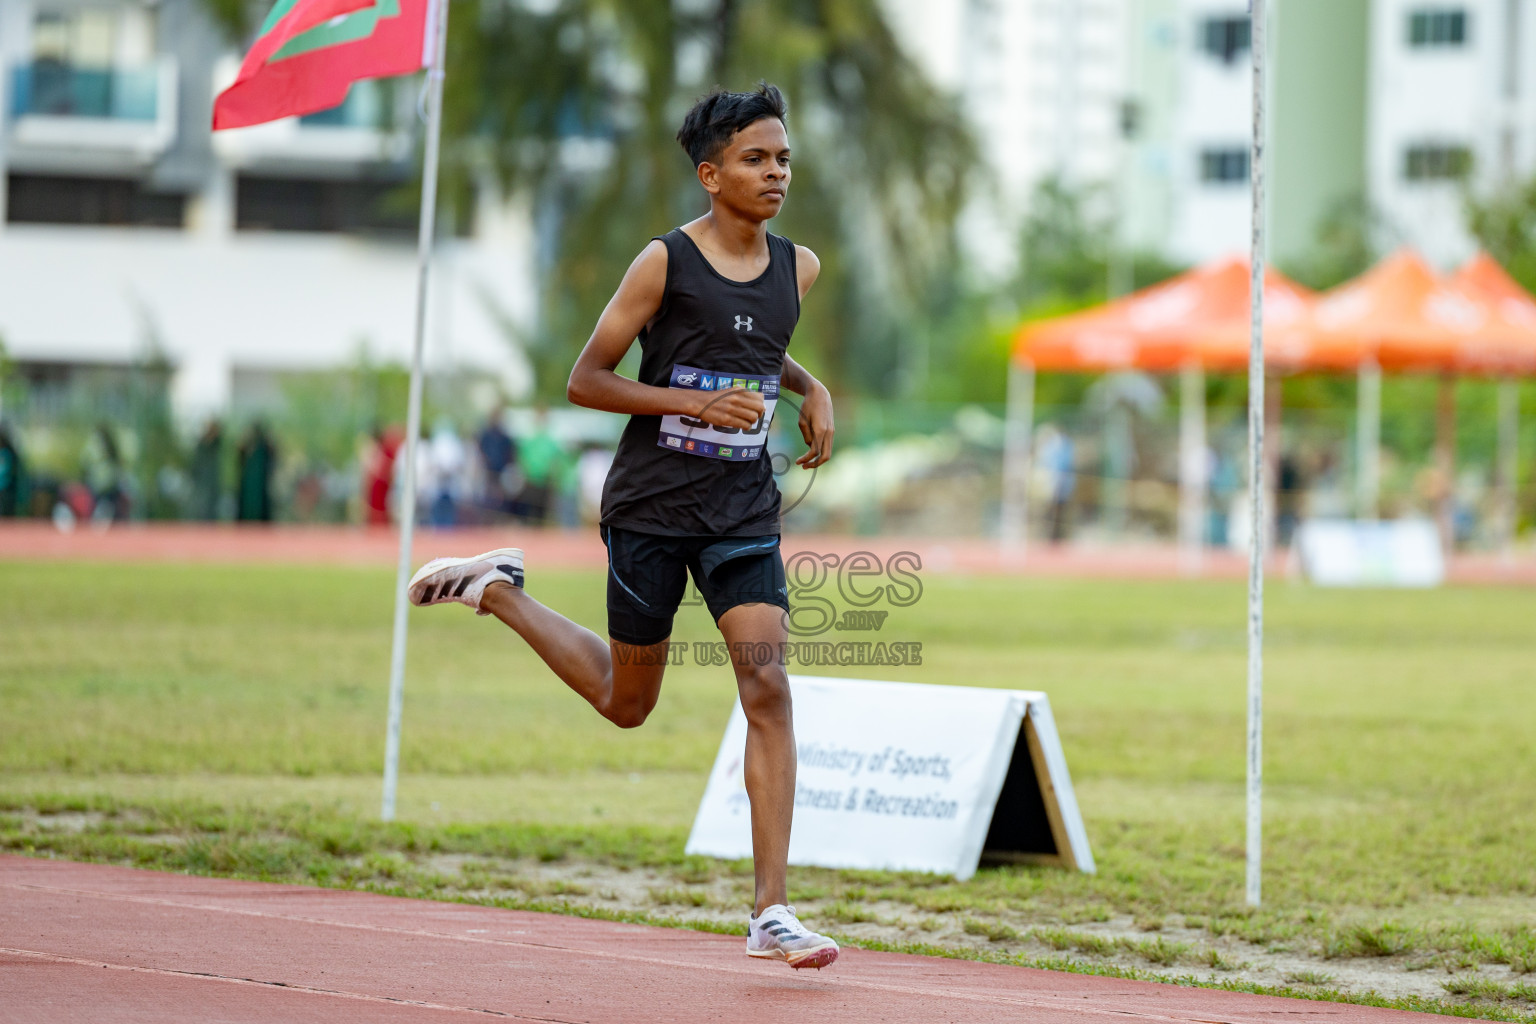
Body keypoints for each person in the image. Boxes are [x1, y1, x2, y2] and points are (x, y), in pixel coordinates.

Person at [406, 84, 839, 970]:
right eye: (757, 159)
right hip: (650, 508)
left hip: (741, 512)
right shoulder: (663, 263)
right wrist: (692, 402)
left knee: (769, 691)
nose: (777, 173)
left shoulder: (800, 268)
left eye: (784, 157)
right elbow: (586, 379)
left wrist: (810, 388)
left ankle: (771, 912)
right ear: (710, 175)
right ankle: (496, 592)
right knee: (627, 703)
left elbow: (755, 340)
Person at [236, 421, 276, 522]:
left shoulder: (264, 447)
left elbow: (273, 454)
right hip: (247, 486)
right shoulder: (246, 448)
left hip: (261, 486)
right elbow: (239, 454)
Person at [189, 420, 224, 521]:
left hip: (213, 483)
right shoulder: (201, 445)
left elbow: (219, 439)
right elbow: (195, 465)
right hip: (201, 483)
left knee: (213, 510)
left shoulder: (216, 445)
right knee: (202, 509)